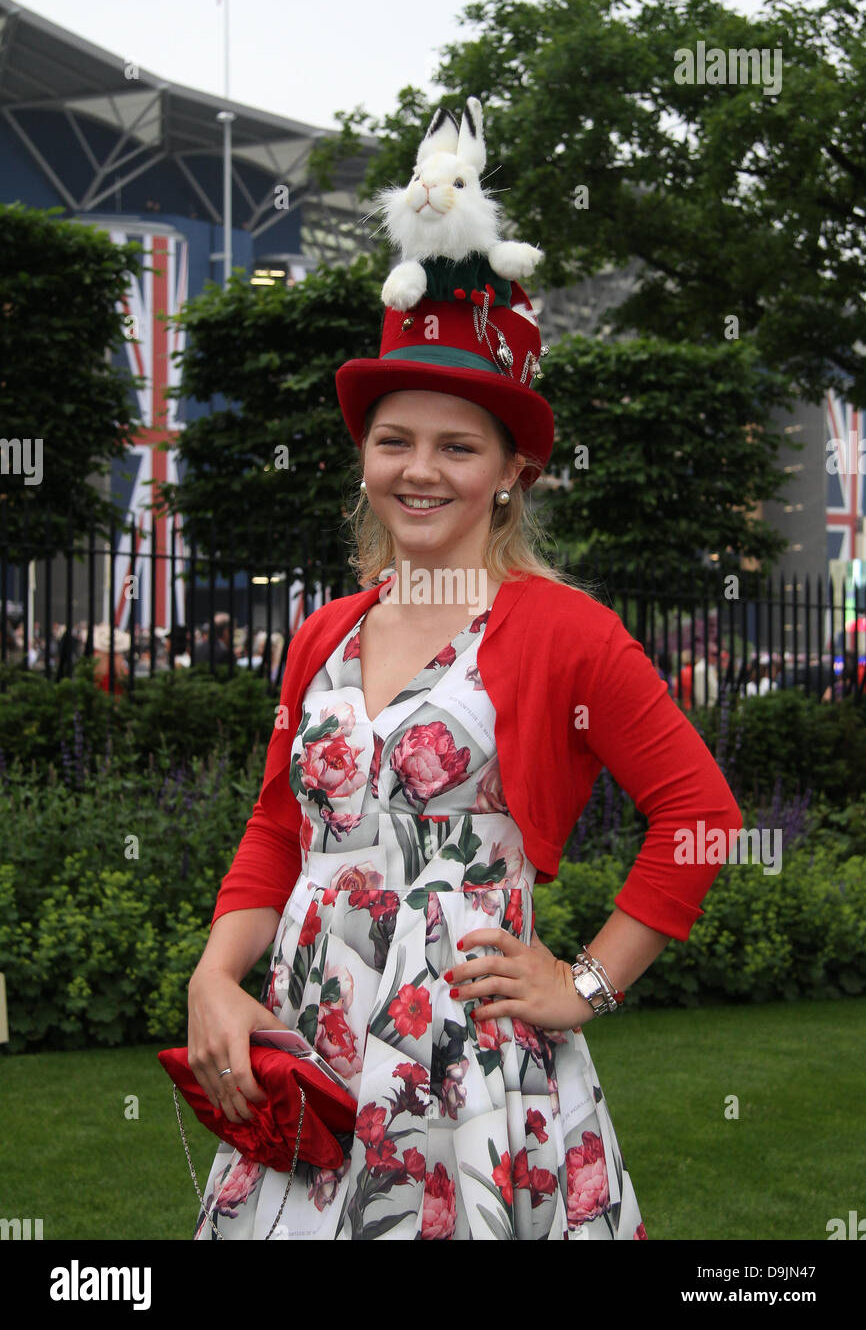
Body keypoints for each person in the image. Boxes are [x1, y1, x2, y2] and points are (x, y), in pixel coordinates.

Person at [185, 103, 742, 1242]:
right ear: (363, 454)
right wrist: (212, 973)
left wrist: (583, 984)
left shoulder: (560, 631)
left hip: (469, 1062)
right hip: (313, 1047)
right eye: (395, 440)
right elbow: (278, 828)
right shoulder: (321, 633)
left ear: (510, 472)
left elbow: (699, 814)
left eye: (457, 446)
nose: (418, 470)